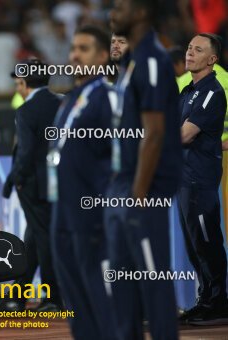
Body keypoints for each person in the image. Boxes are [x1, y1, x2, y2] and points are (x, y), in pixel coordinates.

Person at [108, 0, 182, 338]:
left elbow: (153, 134)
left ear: (140, 13)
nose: (112, 14)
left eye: (120, 8)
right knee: (123, 287)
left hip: (144, 190)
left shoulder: (152, 59)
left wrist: (138, 195)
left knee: (153, 281)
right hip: (125, 186)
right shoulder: (132, 63)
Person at [49, 25, 118, 340]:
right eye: (73, 48)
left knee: (99, 295)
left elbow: (121, 158)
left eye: (84, 49)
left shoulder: (109, 98)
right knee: (74, 293)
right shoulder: (71, 98)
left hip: (93, 213)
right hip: (63, 211)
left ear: (103, 56)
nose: (75, 55)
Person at [4, 58, 63, 312]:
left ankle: (52, 297)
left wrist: (15, 179)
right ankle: (17, 295)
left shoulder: (27, 110)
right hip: (61, 182)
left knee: (43, 238)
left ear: (24, 83)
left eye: (18, 82)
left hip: (35, 184)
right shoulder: (63, 103)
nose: (17, 88)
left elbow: (25, 152)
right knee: (35, 236)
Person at [177, 33, 228, 325]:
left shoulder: (211, 91)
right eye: (188, 48)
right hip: (184, 178)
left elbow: (184, 134)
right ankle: (206, 297)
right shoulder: (188, 90)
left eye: (198, 50)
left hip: (199, 179)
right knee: (194, 243)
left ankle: (218, 300)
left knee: (206, 241)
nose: (190, 53)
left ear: (212, 59)